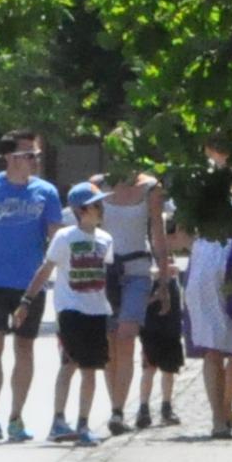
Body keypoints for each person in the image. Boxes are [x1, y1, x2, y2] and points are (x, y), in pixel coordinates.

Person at [0, 132, 66, 443]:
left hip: (29, 284)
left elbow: (56, 239)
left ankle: (16, 417)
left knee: (24, 347)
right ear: (9, 157)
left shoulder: (46, 192)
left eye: (37, 155)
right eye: (28, 154)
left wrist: (65, 275)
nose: (35, 160)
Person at [31, 184, 119, 445]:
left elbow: (104, 273)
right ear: (82, 210)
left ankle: (82, 423)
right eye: (96, 205)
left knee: (90, 368)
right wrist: (27, 299)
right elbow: (46, 269)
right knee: (72, 364)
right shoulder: (64, 237)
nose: (102, 209)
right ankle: (61, 421)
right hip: (71, 310)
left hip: (97, 311)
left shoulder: (106, 239)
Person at [94, 151, 167, 424]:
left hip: (137, 271)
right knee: (109, 341)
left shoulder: (151, 188)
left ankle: (117, 410)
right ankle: (115, 404)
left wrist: (163, 278)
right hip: (104, 271)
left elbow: (157, 233)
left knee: (126, 337)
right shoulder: (98, 185)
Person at [180, 144, 232, 437]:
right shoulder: (200, 179)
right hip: (219, 255)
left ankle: (223, 411)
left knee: (228, 347)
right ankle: (221, 414)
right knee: (222, 347)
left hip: (223, 255)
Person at [134, 235, 188, 430]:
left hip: (171, 328)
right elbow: (140, 301)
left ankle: (166, 407)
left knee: (169, 369)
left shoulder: (174, 269)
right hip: (151, 329)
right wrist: (157, 290)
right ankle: (143, 408)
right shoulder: (148, 271)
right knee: (149, 368)